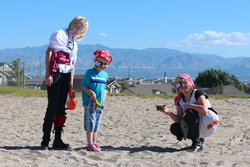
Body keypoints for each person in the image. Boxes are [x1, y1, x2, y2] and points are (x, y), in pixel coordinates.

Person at [41, 16, 88, 150]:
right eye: (78, 24)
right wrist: (48, 74)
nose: (79, 28)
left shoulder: (75, 43)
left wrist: (71, 86)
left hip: (67, 74)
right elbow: (49, 53)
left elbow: (73, 65)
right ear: (73, 23)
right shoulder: (59, 34)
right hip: (56, 72)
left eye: (82, 27)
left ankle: (57, 140)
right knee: (52, 106)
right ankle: (45, 140)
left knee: (61, 108)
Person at [159, 74, 219, 152]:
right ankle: (198, 141)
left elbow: (204, 110)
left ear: (190, 82)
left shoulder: (197, 93)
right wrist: (169, 113)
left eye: (184, 82)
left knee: (190, 111)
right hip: (198, 127)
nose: (182, 85)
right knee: (175, 127)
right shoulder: (179, 100)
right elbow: (180, 119)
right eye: (179, 84)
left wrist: (189, 105)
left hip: (209, 122)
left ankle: (197, 144)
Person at [80, 49, 112, 151]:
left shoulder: (104, 75)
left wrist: (104, 96)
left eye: (106, 63)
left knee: (97, 123)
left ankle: (94, 142)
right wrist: (91, 93)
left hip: (99, 103)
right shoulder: (90, 72)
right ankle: (89, 143)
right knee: (90, 122)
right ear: (96, 61)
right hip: (90, 102)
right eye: (101, 63)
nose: (104, 65)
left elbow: (104, 88)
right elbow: (83, 86)